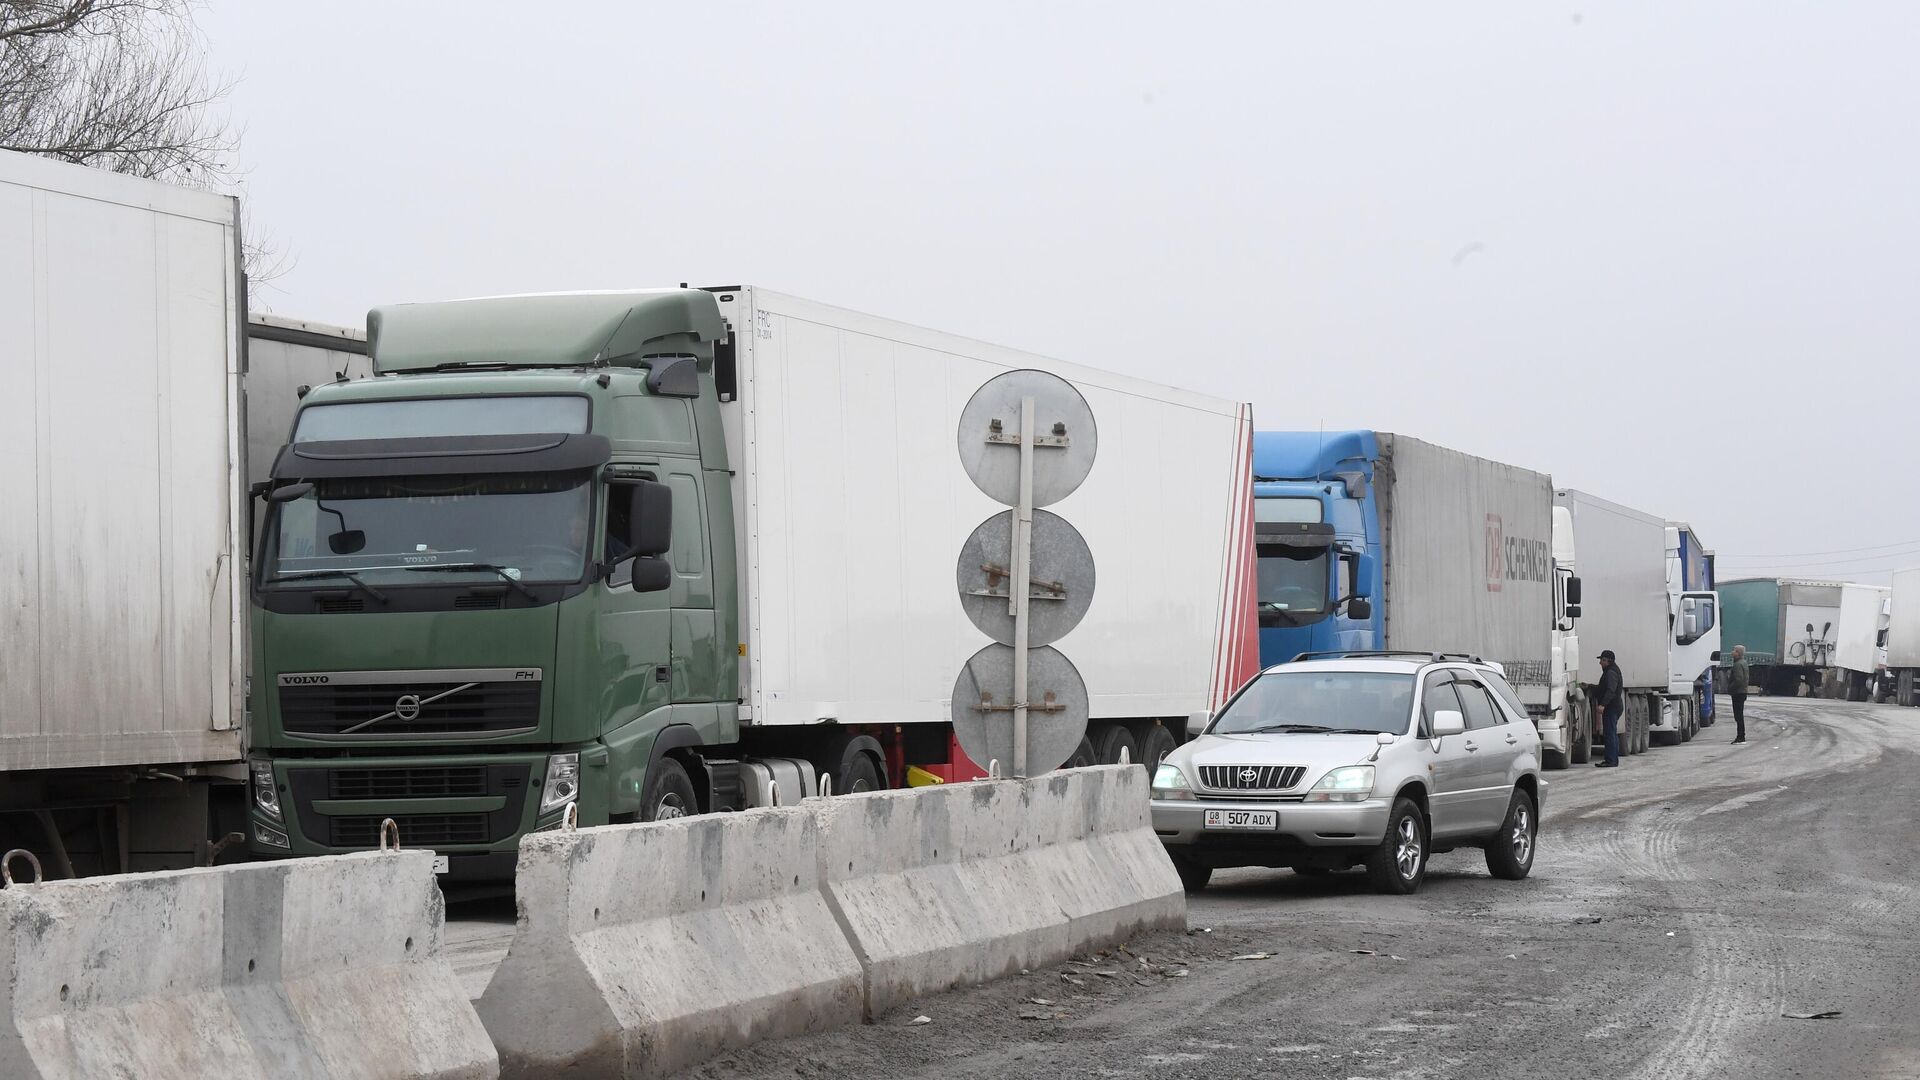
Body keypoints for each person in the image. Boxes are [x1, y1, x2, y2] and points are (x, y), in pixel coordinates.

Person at [1593, 649, 1624, 768]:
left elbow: (1611, 691)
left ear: (1608, 661)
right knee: (1611, 733)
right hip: (1613, 706)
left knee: (1610, 734)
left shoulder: (1611, 673)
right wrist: (1590, 687)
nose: (1600, 662)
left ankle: (1611, 760)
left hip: (1611, 707)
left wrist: (1603, 704)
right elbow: (1604, 689)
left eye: (1602, 660)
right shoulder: (1610, 671)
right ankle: (1612, 759)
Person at [1728, 644, 1750, 744]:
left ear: (1738, 653)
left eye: (1734, 650)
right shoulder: (1743, 662)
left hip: (1738, 693)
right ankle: (1741, 736)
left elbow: (1738, 680)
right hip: (1742, 692)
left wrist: (1730, 688)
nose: (1732, 652)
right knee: (1739, 715)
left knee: (1738, 716)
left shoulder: (1737, 665)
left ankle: (1741, 737)